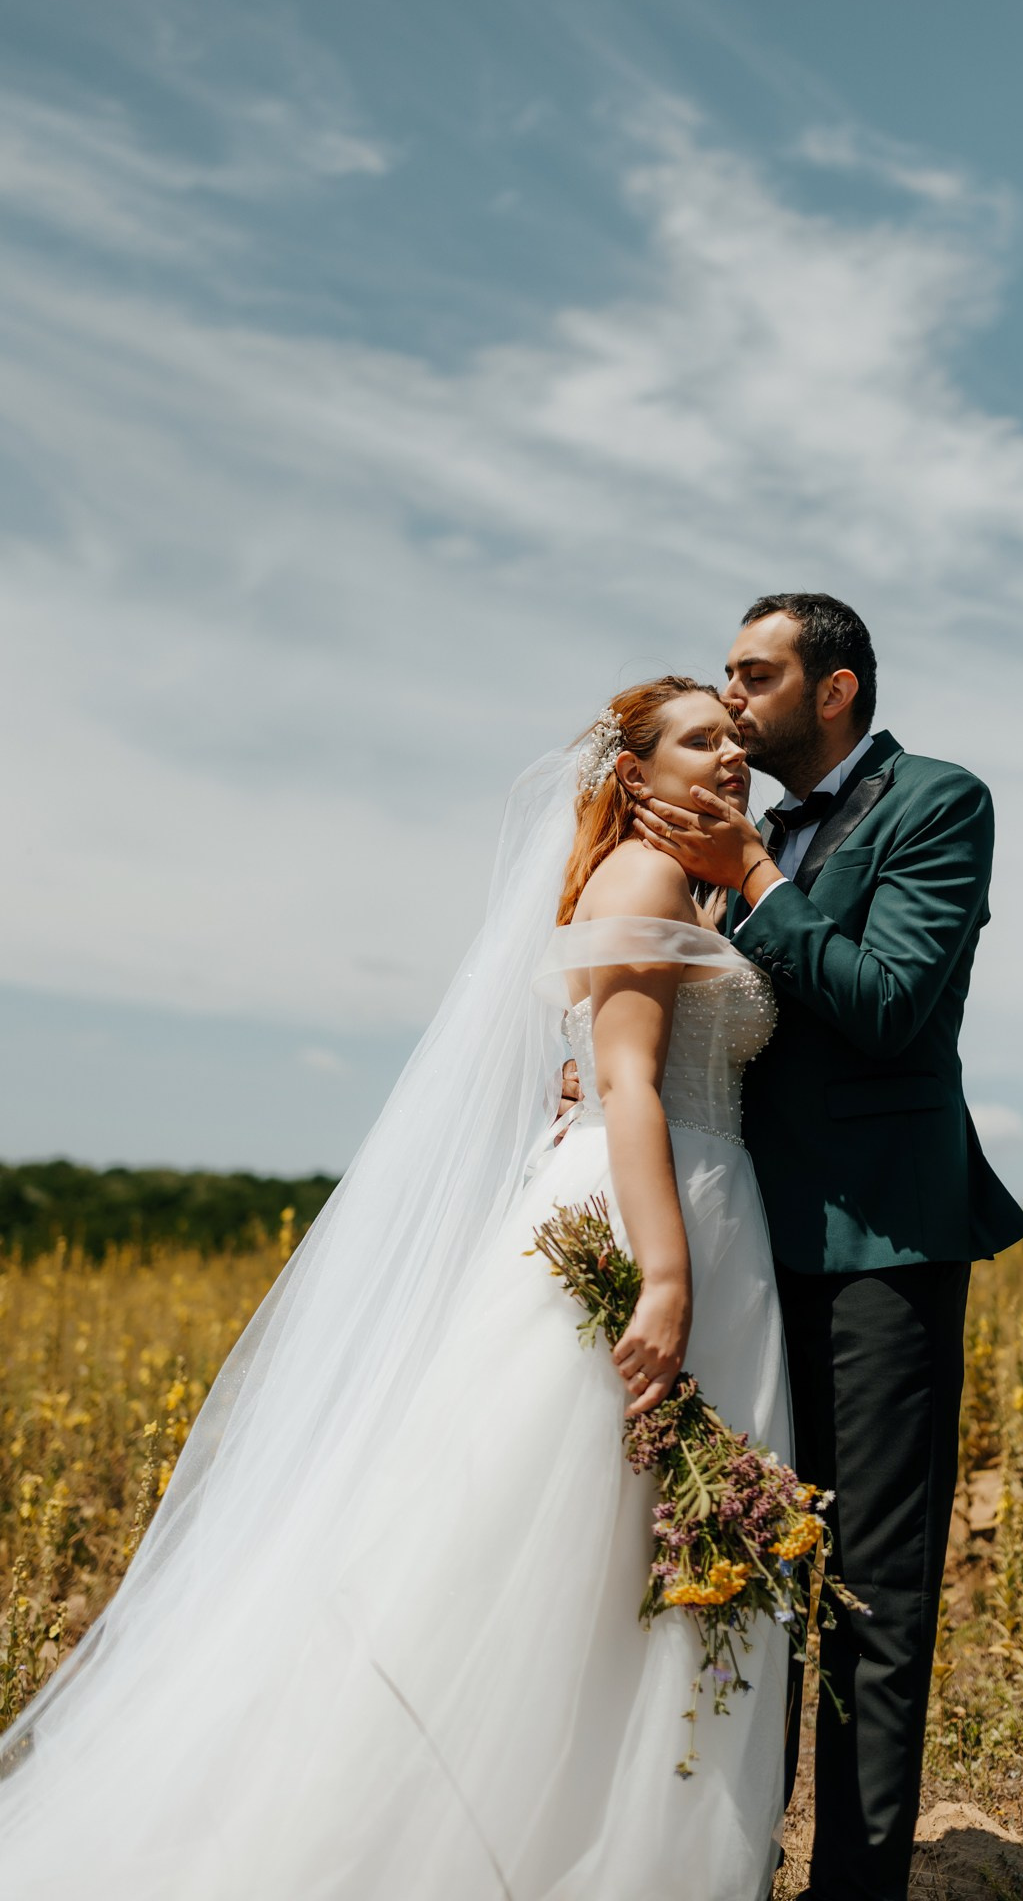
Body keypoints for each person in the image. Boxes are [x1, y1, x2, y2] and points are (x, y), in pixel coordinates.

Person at [0, 677, 792, 1901]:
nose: (731, 755)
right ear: (633, 771)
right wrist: (667, 1278)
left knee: (628, 1546)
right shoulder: (641, 878)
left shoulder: (682, 883)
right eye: (701, 738)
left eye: (737, 739)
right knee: (558, 1535)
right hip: (659, 1217)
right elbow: (630, 1083)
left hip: (694, 1196)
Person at [629, 595, 1023, 1901]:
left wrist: (755, 876)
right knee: (731, 1562)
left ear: (835, 689)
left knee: (869, 1592)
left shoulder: (935, 804)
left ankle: (854, 1889)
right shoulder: (703, 825)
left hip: (877, 1250)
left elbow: (885, 1009)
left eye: (756, 673)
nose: (732, 696)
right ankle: (721, 1861)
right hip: (735, 1249)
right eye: (726, 676)